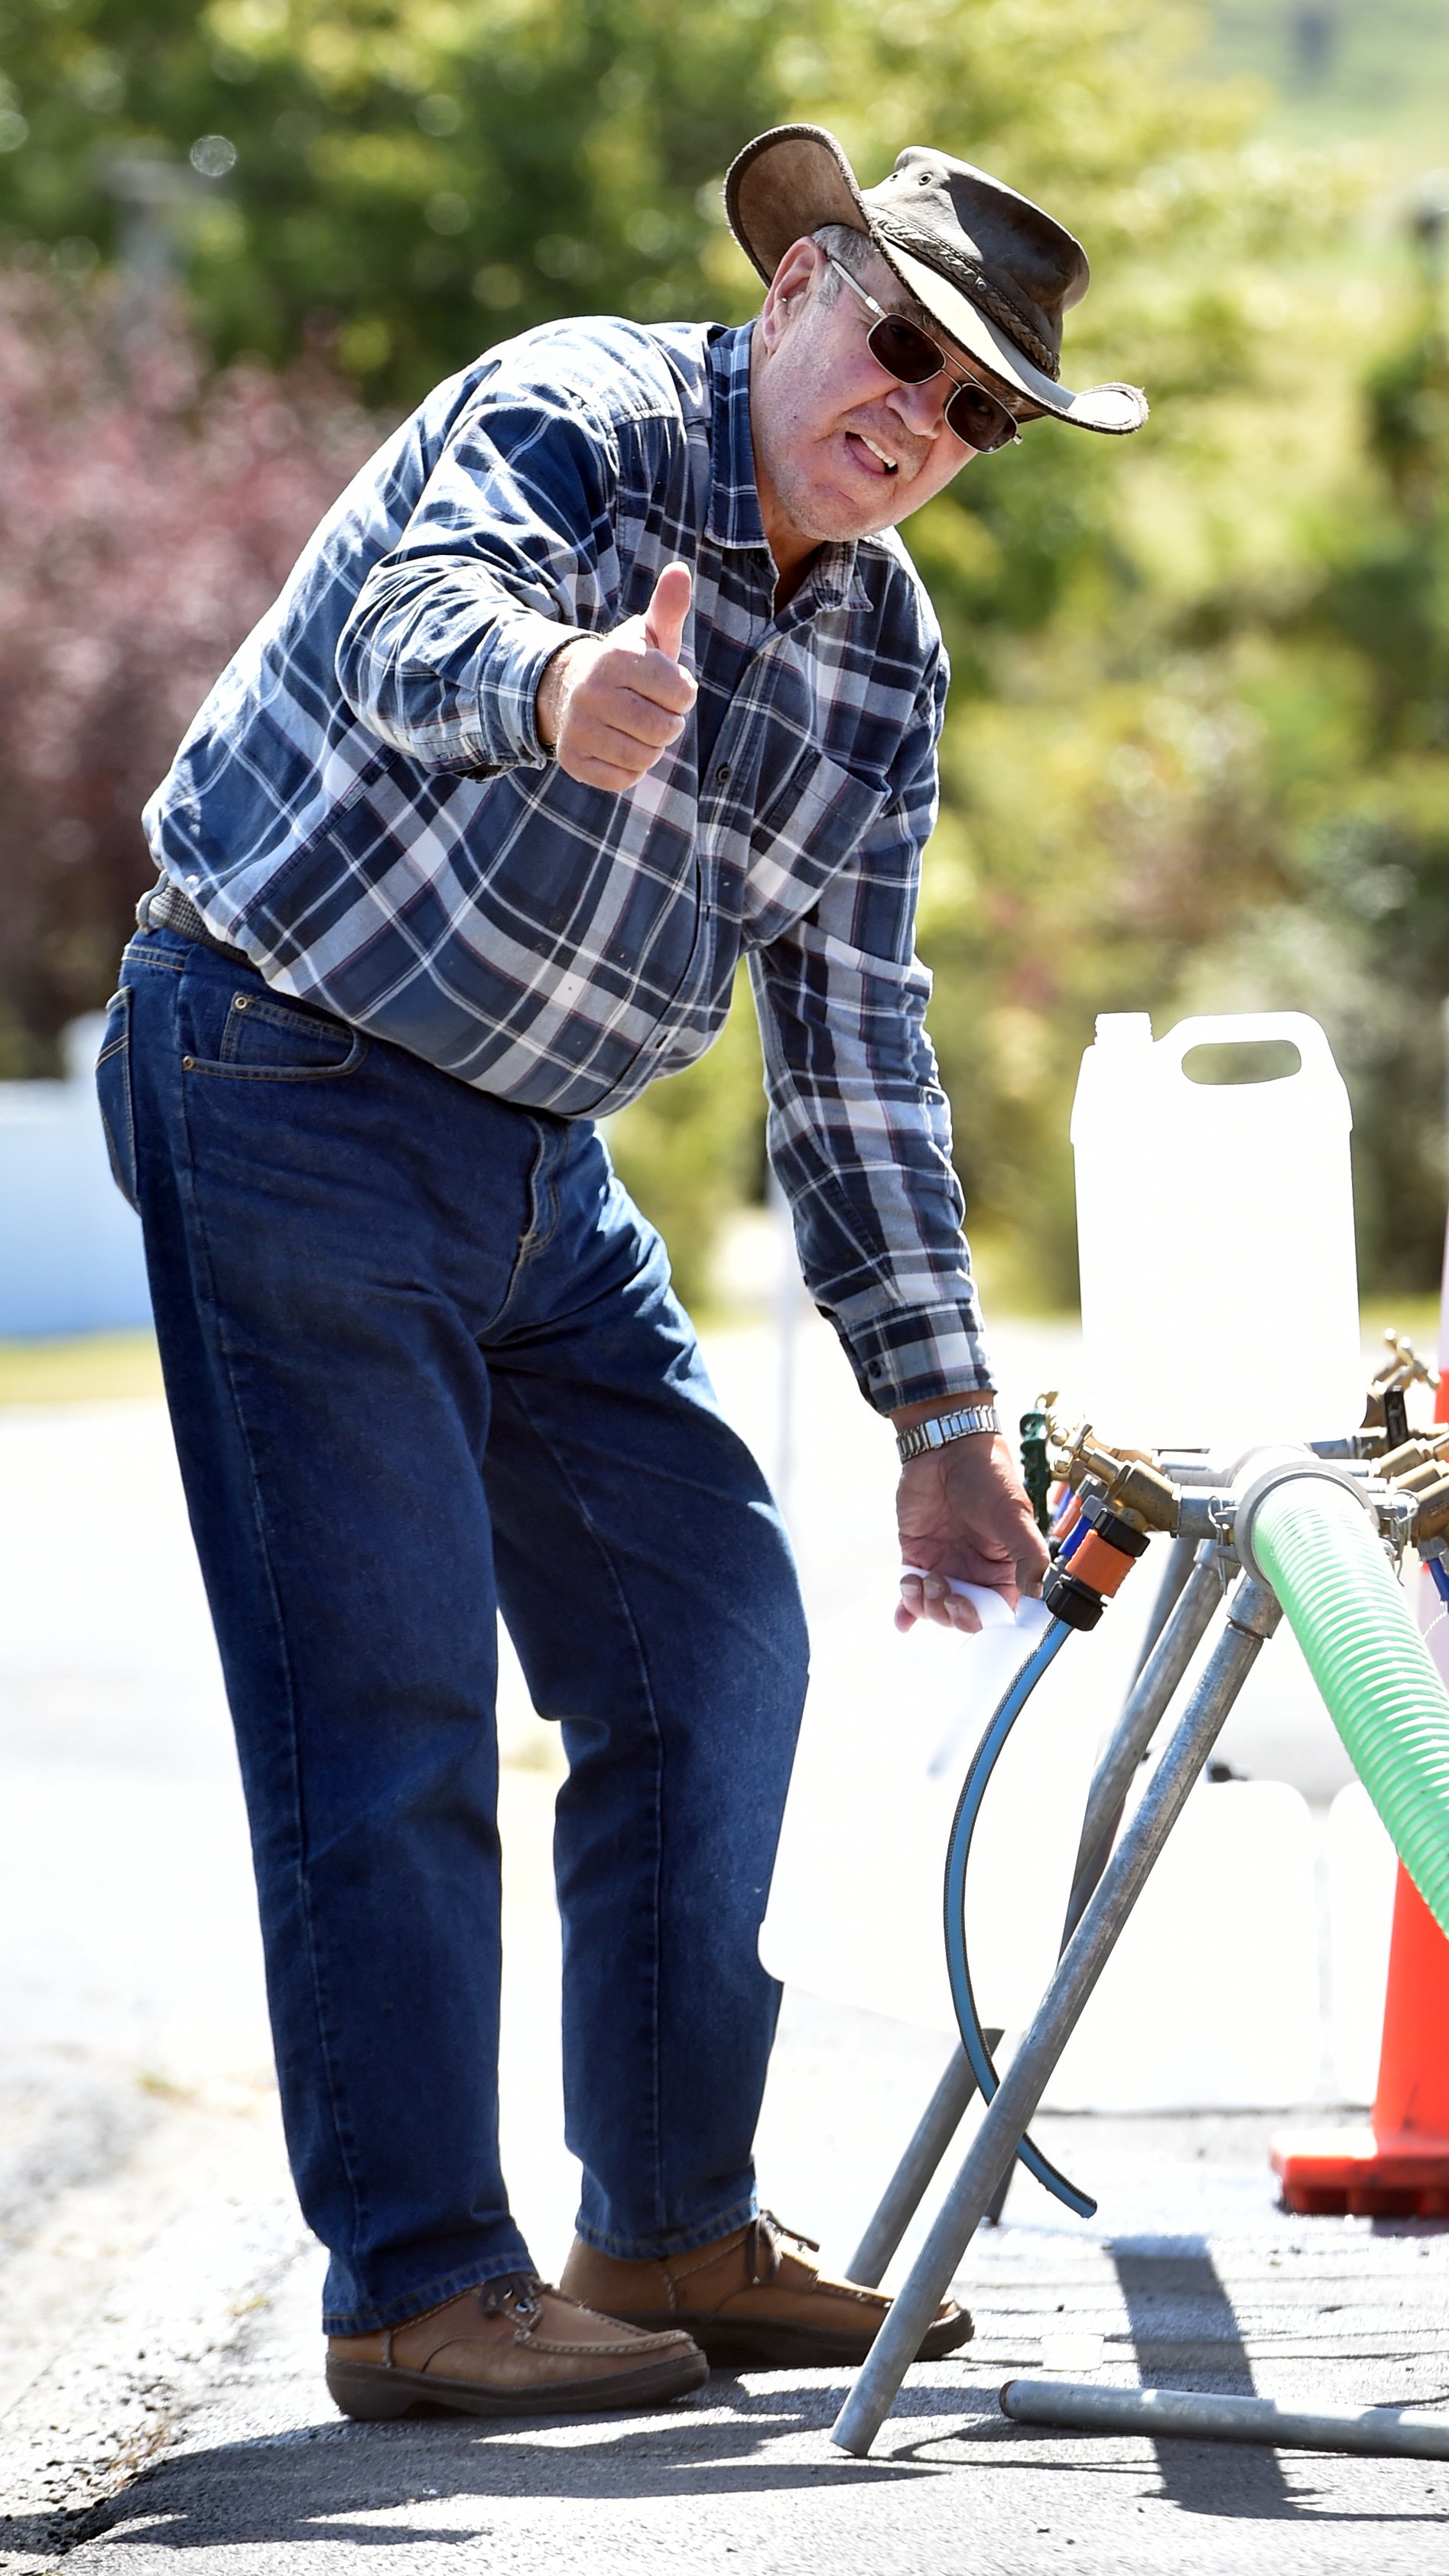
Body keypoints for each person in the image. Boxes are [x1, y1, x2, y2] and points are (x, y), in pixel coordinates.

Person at [98, 122, 1146, 2422]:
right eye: (901, 346)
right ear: (795, 292)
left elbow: (854, 1047)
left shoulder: (879, 657)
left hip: (528, 1161)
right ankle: (413, 2286)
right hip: (276, 1070)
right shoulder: (574, 410)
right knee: (377, 1706)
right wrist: (560, 684)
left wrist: (945, 1424)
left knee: (710, 1635)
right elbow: (409, 621)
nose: (920, 421)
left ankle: (661, 2221)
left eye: (974, 411)